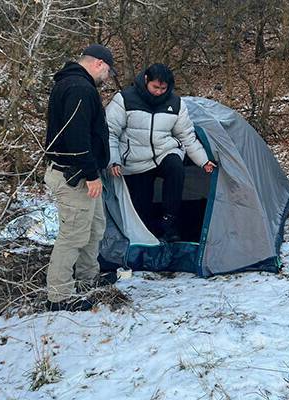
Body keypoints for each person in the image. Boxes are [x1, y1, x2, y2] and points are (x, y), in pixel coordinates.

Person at [43, 44, 116, 312]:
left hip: (84, 175)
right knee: (73, 236)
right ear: (98, 63)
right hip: (74, 177)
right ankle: (59, 296)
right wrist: (90, 174)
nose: (106, 77)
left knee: (95, 227)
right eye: (108, 71)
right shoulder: (79, 88)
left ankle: (87, 278)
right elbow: (76, 137)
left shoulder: (75, 84)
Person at [106, 64, 216, 242]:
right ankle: (149, 233)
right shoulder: (124, 99)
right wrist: (114, 160)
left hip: (164, 152)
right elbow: (110, 131)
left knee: (176, 167)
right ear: (146, 81)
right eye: (155, 87)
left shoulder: (176, 103)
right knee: (141, 205)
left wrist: (203, 161)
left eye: (163, 88)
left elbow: (186, 136)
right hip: (135, 158)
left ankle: (169, 218)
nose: (159, 92)